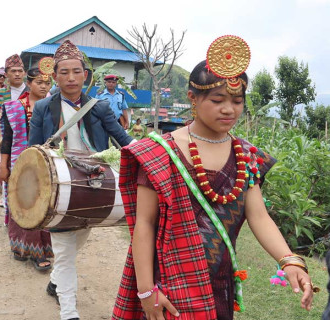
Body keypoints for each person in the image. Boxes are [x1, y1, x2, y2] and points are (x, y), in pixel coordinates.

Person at [112, 35, 314, 320]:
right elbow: (144, 224)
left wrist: (289, 260)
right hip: (170, 282)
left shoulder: (245, 155)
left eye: (237, 100)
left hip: (220, 283)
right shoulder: (160, 152)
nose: (229, 109)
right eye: (218, 100)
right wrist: (146, 290)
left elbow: (258, 216)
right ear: (193, 98)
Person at [28, 40, 133, 320]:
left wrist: (152, 152)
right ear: (55, 76)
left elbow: (124, 141)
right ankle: (69, 312)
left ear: (85, 75)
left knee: (77, 243)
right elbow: (33, 150)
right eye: (64, 72)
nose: (71, 78)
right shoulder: (42, 108)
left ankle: (55, 282)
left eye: (76, 71)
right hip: (59, 188)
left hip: (94, 187)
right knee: (63, 250)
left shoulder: (99, 107)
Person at [0, 65, 54, 271]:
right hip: (20, 163)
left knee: (45, 204)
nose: (43, 86)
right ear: (28, 83)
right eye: (39, 82)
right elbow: (7, 139)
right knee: (23, 203)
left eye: (47, 83)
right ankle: (22, 248)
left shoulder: (55, 107)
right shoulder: (13, 107)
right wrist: (3, 166)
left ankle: (40, 249)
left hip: (47, 164)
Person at [0, 54, 29, 211]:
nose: (17, 74)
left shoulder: (31, 91)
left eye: (20, 71)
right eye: (13, 71)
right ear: (6, 74)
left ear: (25, 73)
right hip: (5, 137)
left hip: (26, 137)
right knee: (4, 165)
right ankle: (4, 194)